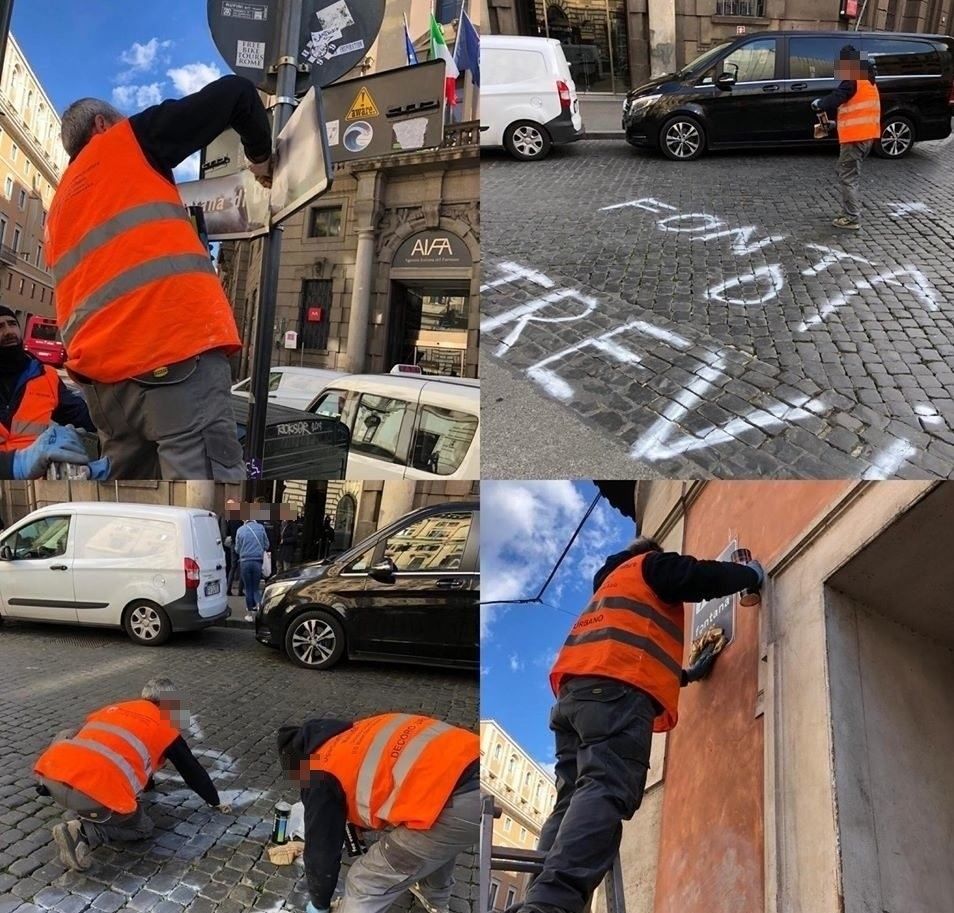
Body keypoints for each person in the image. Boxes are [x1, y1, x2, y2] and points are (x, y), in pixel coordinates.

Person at [517, 537, 764, 913]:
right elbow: (697, 577)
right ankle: (550, 906)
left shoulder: (610, 585)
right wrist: (750, 573)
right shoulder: (648, 566)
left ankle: (539, 896)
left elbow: (633, 652)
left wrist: (687, 675)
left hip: (574, 697)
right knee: (605, 787)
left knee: (570, 800)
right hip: (614, 697)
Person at [45, 76, 275, 479]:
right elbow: (238, 93)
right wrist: (261, 158)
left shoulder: (59, 203)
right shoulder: (125, 142)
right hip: (169, 356)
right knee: (203, 502)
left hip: (104, 387)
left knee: (137, 506)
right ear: (102, 125)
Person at [277, 714, 479, 913]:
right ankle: (435, 900)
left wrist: (318, 905)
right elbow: (376, 775)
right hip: (473, 766)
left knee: (366, 881)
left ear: (299, 765)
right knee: (435, 845)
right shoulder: (353, 732)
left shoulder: (318, 775)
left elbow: (321, 852)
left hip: (455, 800)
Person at [33, 677, 230, 871]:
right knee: (143, 828)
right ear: (169, 703)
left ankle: (77, 810)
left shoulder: (115, 708)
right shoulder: (165, 726)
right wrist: (214, 800)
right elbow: (191, 770)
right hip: (93, 791)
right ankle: (83, 832)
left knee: (70, 733)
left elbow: (135, 752)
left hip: (53, 779)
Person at [0, 306, 95, 448]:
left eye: (12, 324)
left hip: (33, 468)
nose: (9, 332)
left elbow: (80, 414)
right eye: (0, 327)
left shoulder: (45, 376)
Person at [812, 45, 881, 231]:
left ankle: (851, 217)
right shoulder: (869, 82)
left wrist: (820, 103)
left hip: (855, 139)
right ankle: (851, 210)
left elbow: (837, 98)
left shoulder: (853, 80)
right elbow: (855, 110)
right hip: (866, 137)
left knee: (847, 176)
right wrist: (834, 124)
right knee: (850, 174)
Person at [235, 505, 270, 622]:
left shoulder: (240, 530)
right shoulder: (260, 528)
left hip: (244, 562)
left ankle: (249, 614)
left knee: (248, 589)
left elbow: (237, 549)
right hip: (257, 562)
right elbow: (266, 545)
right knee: (255, 588)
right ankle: (261, 612)